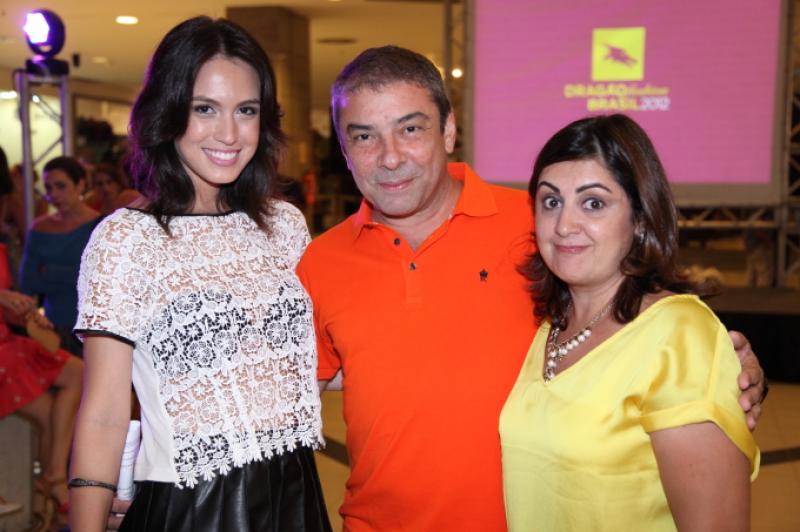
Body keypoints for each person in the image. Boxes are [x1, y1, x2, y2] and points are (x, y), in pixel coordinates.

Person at [297, 46, 767, 531]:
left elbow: (647, 324)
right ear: (344, 149)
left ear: (449, 130)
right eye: (364, 136)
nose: (391, 157)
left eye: (410, 129)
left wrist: (722, 367)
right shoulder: (321, 261)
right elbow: (292, 391)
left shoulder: (544, 230)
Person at [69, 17, 330, 532]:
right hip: (195, 507)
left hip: (296, 495)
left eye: (246, 110)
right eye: (204, 108)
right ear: (168, 112)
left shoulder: (285, 225)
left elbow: (300, 365)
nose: (229, 134)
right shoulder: (127, 239)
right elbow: (103, 412)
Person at [499, 114, 759, 531]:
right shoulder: (549, 327)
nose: (564, 225)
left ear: (639, 218)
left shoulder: (679, 335)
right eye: (551, 202)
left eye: (593, 203)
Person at [0, 243, 83, 514]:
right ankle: (52, 485)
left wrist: (26, 315)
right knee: (50, 416)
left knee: (77, 374)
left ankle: (52, 478)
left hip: (7, 341)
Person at [19, 156, 101, 356]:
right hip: (51, 327)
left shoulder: (100, 226)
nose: (53, 194)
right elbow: (27, 283)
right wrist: (74, 273)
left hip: (94, 328)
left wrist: (49, 271)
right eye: (48, 188)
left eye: (61, 186)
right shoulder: (40, 227)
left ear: (80, 185)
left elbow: (98, 282)